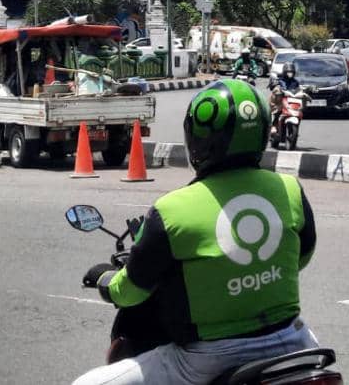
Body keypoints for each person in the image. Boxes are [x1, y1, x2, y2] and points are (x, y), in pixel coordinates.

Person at [72, 80, 318, 385]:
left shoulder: (174, 210)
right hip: (296, 342)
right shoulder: (290, 189)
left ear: (199, 138)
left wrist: (105, 280)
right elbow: (301, 257)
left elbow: (131, 291)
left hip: (210, 358)